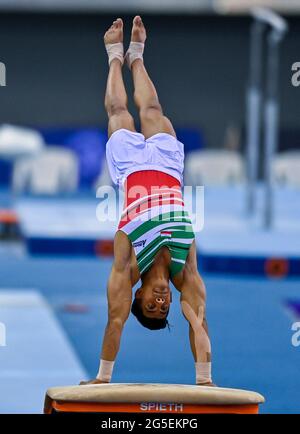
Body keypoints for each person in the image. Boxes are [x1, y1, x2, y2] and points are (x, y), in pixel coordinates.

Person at [81, 16, 214, 387]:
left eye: (150, 307)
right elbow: (200, 322)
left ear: (137, 297)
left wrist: (103, 378)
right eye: (164, 308)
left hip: (131, 171)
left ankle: (113, 55)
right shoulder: (185, 273)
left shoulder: (127, 268)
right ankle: (137, 55)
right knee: (153, 110)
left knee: (119, 114)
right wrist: (204, 381)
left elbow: (115, 321)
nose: (160, 302)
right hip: (169, 170)